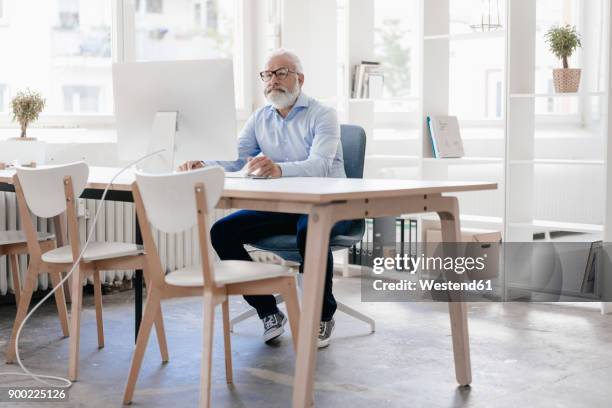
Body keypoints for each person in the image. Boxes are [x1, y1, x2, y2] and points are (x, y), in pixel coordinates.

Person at [180, 48, 350, 348]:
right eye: (268, 74)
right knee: (222, 231)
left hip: (325, 206)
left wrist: (279, 169)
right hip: (282, 208)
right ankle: (268, 311)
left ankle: (322, 315)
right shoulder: (260, 117)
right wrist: (202, 164)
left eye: (281, 73)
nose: (273, 80)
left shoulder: (323, 115)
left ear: (300, 78)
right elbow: (233, 159)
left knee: (310, 230)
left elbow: (321, 165)